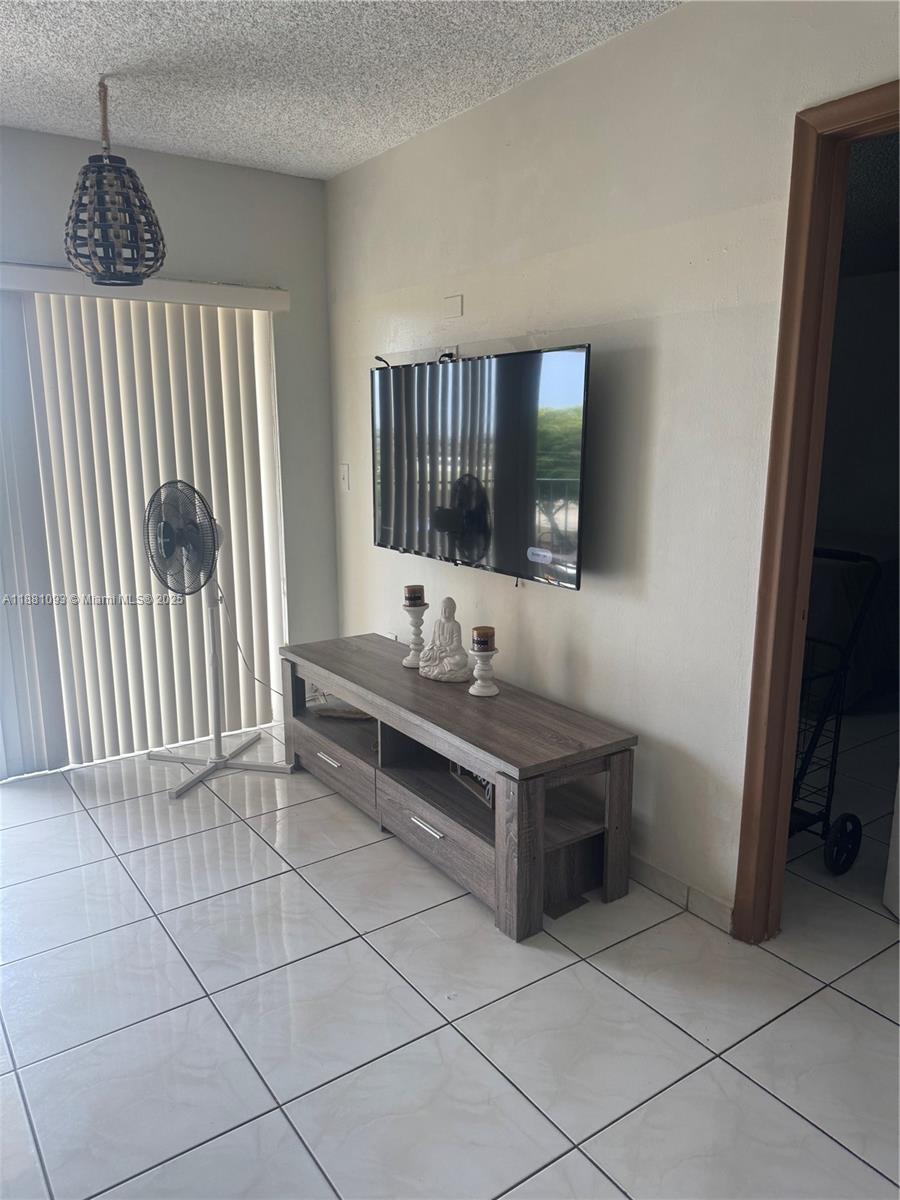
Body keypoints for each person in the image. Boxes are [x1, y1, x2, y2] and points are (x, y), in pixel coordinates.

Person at [419, 597, 471, 681]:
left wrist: (446, 650)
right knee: (423, 655)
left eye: (447, 609)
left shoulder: (455, 625)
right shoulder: (437, 623)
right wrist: (429, 649)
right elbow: (432, 640)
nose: (444, 611)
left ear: (453, 611)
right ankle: (440, 669)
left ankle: (440, 670)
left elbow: (457, 644)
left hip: (451, 652)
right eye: (442, 608)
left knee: (461, 660)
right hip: (437, 651)